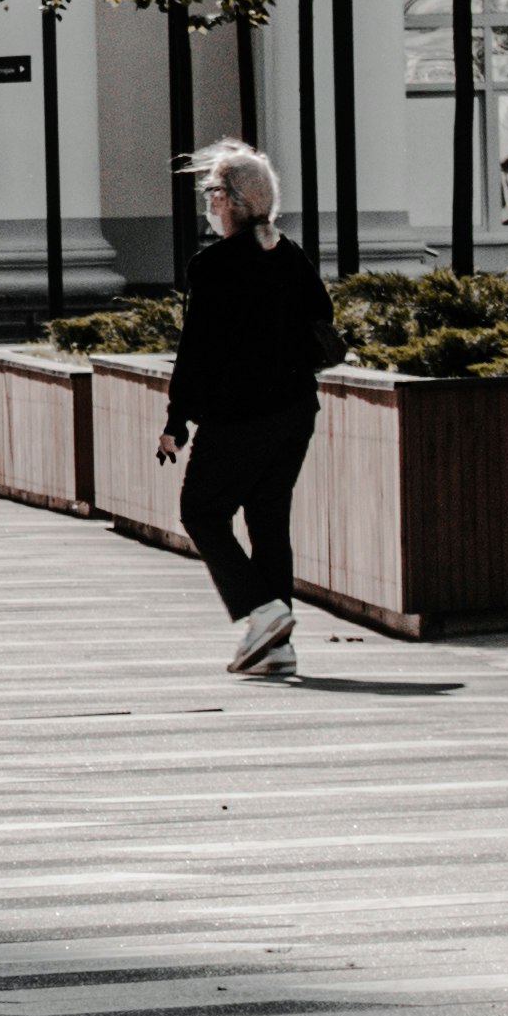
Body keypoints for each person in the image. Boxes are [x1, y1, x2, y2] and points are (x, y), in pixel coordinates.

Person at [155, 135, 340, 681]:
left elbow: (198, 349)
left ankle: (264, 610)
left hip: (240, 414)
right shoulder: (289, 255)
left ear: (230, 201)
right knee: (267, 516)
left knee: (201, 511)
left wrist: (176, 421)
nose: (207, 202)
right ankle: (276, 646)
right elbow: (321, 314)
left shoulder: (212, 266)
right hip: (294, 411)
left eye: (212, 191)